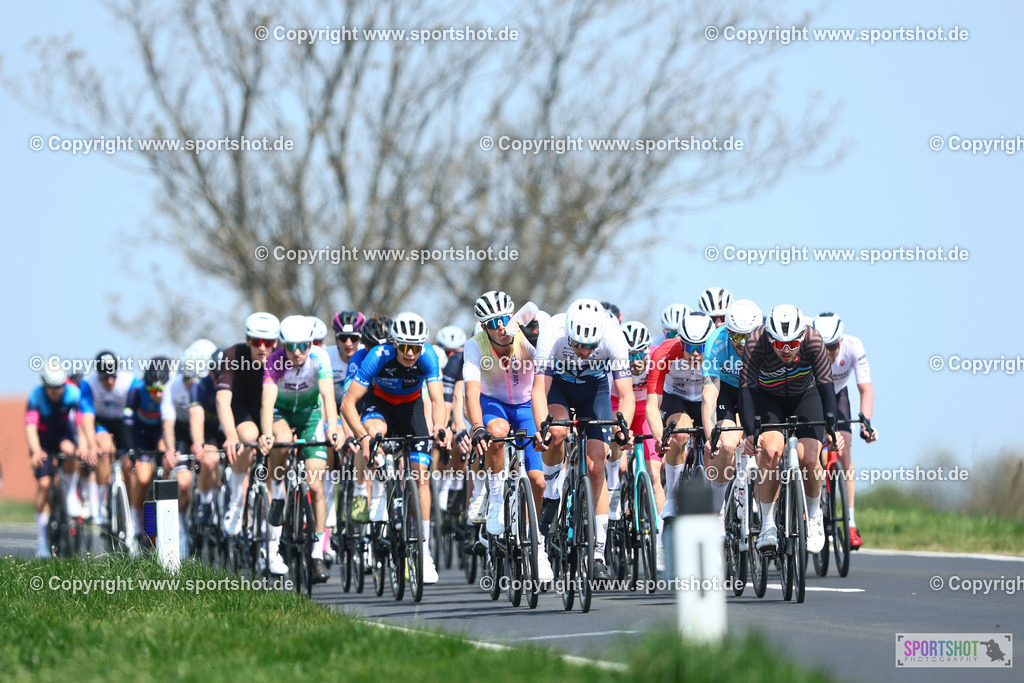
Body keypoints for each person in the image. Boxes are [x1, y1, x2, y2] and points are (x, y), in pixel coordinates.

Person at [340, 312, 448, 584]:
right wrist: (363, 437)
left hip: (411, 409)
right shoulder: (377, 355)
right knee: (376, 435)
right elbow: (347, 403)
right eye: (404, 347)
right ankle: (379, 488)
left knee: (421, 474)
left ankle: (424, 551)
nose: (411, 353)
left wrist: (439, 427)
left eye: (416, 347)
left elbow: (437, 400)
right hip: (380, 407)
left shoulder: (429, 356)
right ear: (394, 343)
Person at [531, 298, 633, 581]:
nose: (583, 351)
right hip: (559, 389)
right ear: (569, 333)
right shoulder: (552, 331)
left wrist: (622, 429)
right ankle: (552, 492)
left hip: (594, 391)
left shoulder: (613, 334)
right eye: (577, 345)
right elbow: (539, 391)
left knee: (597, 465)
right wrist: (543, 429)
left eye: (589, 347)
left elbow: (625, 396)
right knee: (558, 433)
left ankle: (599, 554)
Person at [739, 305, 844, 555]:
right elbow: (746, 391)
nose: (786, 350)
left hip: (805, 397)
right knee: (771, 452)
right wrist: (751, 431)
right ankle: (767, 525)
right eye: (779, 345)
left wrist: (832, 429)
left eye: (793, 343)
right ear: (769, 338)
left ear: (803, 336)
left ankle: (815, 516)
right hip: (768, 399)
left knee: (810, 459)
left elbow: (827, 388)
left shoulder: (814, 341)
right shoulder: (755, 342)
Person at [259, 315, 340, 583]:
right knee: (280, 443)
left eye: (303, 345)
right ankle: (279, 493)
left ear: (310, 343)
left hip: (311, 416)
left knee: (316, 486)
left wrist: (332, 428)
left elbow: (328, 397)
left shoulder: (320, 357)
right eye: (291, 346)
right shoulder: (275, 361)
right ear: (283, 345)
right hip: (282, 414)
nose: (297, 352)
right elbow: (267, 404)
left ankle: (317, 553)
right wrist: (266, 434)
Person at [217, 312, 280, 558]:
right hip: (242, 408)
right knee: (249, 438)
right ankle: (236, 497)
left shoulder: (282, 358)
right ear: (247, 341)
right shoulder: (233, 355)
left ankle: (270, 530)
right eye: (256, 342)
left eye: (268, 342)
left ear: (276, 342)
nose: (262, 348)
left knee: (279, 445)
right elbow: (223, 401)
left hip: (271, 408)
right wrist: (231, 435)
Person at [813, 312, 877, 549]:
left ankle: (850, 522)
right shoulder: (807, 345)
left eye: (832, 346)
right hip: (812, 395)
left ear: (840, 341)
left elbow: (865, 389)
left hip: (838, 394)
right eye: (823, 346)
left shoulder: (853, 346)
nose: (828, 352)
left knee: (844, 447)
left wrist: (866, 423)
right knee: (814, 449)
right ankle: (813, 506)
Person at [25, 360, 85, 557]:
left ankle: (69, 494)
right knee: (43, 485)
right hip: (42, 440)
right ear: (44, 385)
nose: (55, 392)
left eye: (59, 387)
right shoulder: (36, 396)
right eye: (51, 388)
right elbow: (31, 428)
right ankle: (42, 542)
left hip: (62, 435)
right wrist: (35, 451)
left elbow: (81, 424)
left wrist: (83, 445)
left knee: (70, 451)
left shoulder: (73, 394)